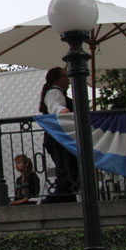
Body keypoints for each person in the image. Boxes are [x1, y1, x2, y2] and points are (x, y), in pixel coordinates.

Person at [39, 66, 79, 203]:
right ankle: (64, 195)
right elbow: (54, 106)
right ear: (58, 80)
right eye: (65, 77)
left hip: (56, 138)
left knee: (66, 167)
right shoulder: (54, 92)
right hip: (58, 138)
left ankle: (66, 195)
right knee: (66, 166)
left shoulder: (55, 92)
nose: (68, 80)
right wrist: (62, 110)